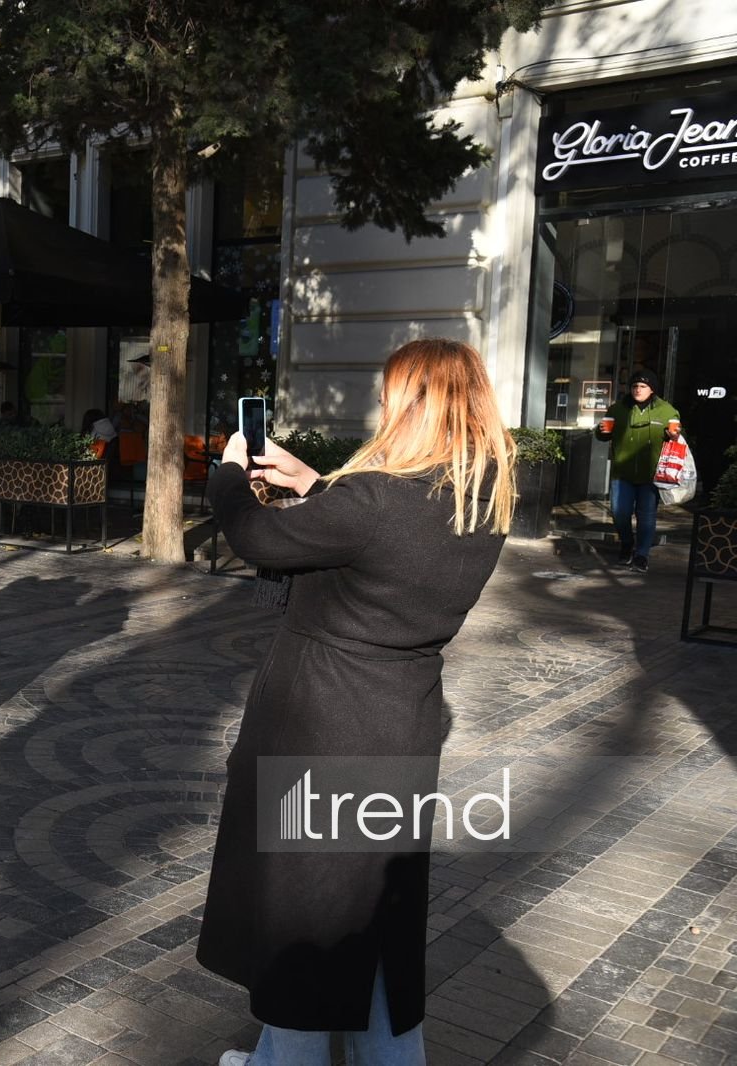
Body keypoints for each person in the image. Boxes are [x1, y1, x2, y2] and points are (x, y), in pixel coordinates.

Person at [200, 339, 516, 1066]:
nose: (380, 406)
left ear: (411, 403)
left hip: (322, 721)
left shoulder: (376, 500)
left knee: (304, 924)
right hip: (401, 721)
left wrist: (225, 475)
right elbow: (377, 541)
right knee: (377, 921)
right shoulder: (477, 495)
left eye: (387, 393)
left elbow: (258, 536)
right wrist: (314, 482)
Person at [596, 368, 682, 573]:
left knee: (646, 517)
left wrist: (675, 434)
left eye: (642, 386)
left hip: (650, 475)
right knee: (619, 513)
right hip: (622, 473)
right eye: (634, 386)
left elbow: (677, 434)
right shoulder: (617, 409)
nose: (637, 389)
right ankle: (627, 543)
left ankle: (641, 555)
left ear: (652, 389)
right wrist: (600, 431)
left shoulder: (667, 410)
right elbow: (603, 436)